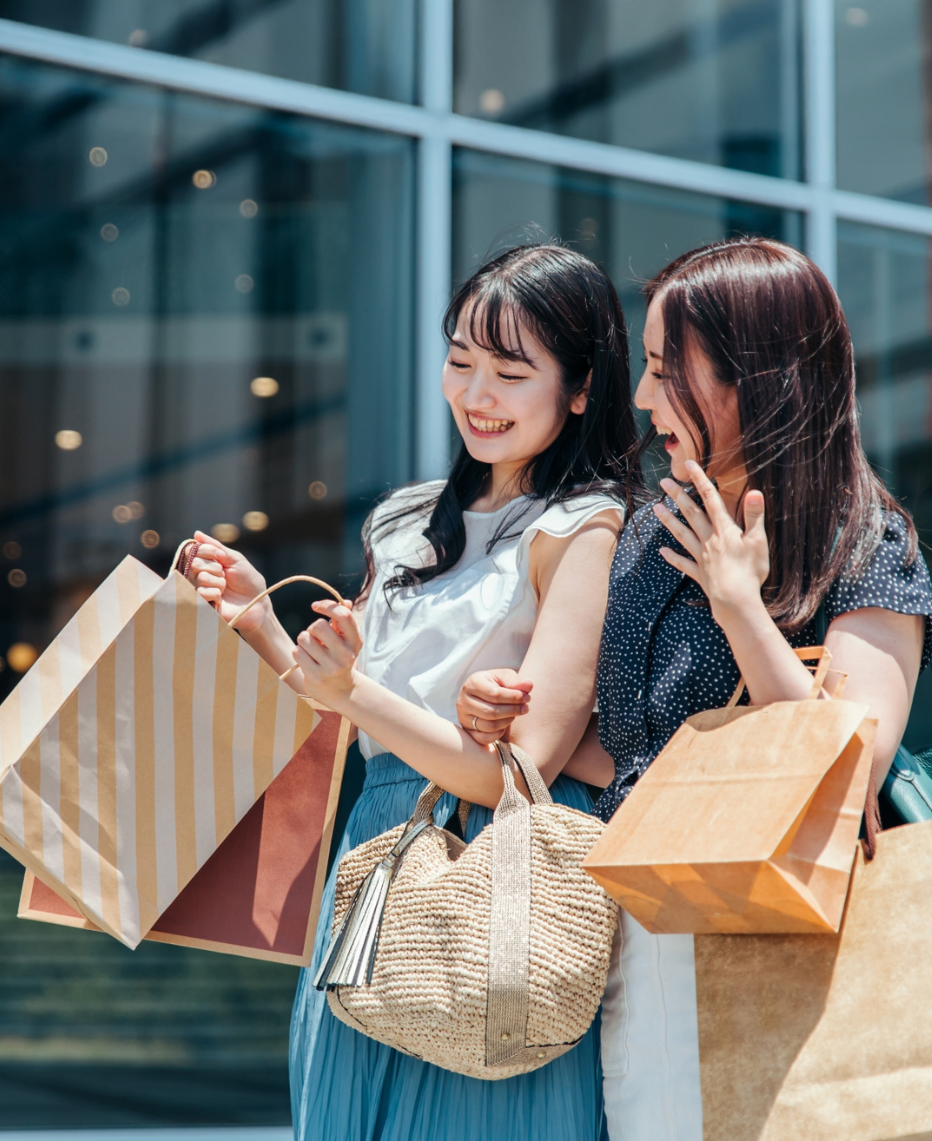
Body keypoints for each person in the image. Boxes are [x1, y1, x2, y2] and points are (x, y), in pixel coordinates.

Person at [458, 236, 932, 1140]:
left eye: (668, 368)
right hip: (638, 938)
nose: (643, 397)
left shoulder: (864, 540)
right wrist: (498, 709)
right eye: (644, 365)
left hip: (785, 950)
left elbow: (851, 764)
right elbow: (634, 750)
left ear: (758, 375)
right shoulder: (646, 532)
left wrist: (739, 606)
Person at [188, 243, 643, 1141]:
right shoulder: (403, 519)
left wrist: (353, 691)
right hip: (374, 861)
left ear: (582, 387)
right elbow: (345, 708)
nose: (477, 394)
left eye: (512, 372)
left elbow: (520, 768)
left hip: (495, 874)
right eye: (461, 361)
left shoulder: (584, 525)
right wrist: (260, 620)